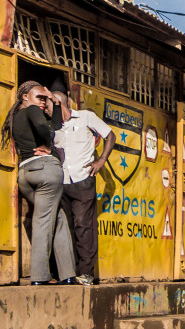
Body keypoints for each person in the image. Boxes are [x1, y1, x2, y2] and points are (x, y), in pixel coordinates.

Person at [2, 82, 77, 285]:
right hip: (44, 171)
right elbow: (45, 129)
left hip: (27, 175)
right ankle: (39, 277)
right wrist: (46, 145)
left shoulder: (17, 118)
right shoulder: (32, 110)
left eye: (45, 99)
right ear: (25, 96)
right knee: (44, 222)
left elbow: (55, 126)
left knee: (58, 219)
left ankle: (68, 274)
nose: (43, 102)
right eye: (40, 98)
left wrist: (55, 101)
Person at [50, 87, 115, 285]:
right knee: (66, 227)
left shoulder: (85, 117)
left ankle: (86, 272)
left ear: (61, 105)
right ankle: (68, 272)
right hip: (62, 181)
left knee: (84, 225)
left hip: (83, 179)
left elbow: (110, 135)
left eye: (52, 107)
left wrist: (101, 160)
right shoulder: (53, 126)